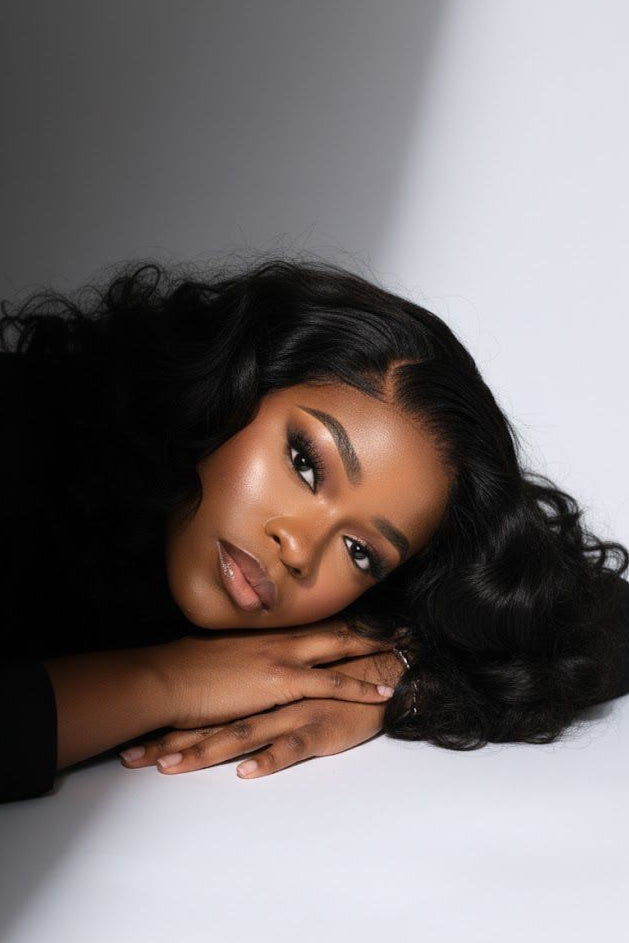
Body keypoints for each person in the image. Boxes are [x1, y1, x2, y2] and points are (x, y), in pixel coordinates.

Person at [1, 257, 628, 803]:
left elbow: (602, 621)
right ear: (234, 384)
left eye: (361, 551)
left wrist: (393, 681)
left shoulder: (325, 610)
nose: (299, 548)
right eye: (305, 462)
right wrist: (166, 682)